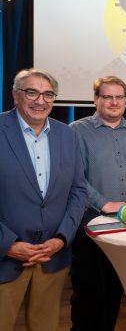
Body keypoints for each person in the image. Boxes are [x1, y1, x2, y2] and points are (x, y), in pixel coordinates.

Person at [0, 68, 87, 330]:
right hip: (5, 258)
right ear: (16, 96)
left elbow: (78, 191)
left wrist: (61, 239)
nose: (41, 100)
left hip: (52, 258)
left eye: (48, 94)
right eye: (32, 92)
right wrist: (7, 244)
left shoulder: (68, 135)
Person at [69, 76, 126, 331]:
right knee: (88, 294)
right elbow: (74, 176)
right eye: (107, 97)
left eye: (119, 97)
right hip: (91, 224)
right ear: (96, 99)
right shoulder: (77, 130)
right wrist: (105, 204)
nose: (114, 102)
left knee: (114, 290)